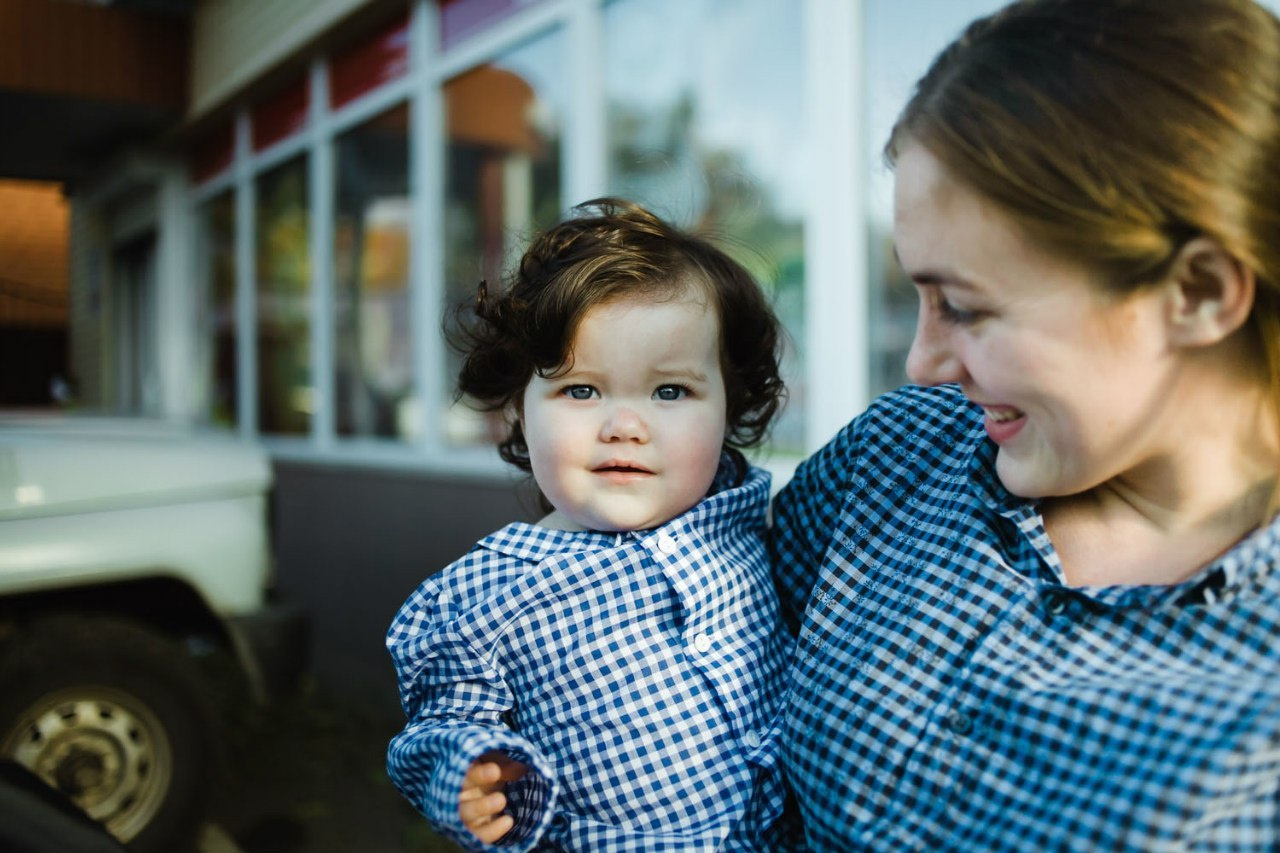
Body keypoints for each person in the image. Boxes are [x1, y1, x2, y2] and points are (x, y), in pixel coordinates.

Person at [770, 0, 1280, 848]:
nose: (923, 362)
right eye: (918, 300)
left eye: (964, 308)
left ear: (1196, 293)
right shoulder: (895, 457)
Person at [386, 198, 794, 851]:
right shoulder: (487, 593)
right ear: (519, 408)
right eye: (581, 390)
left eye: (670, 391)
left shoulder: (754, 521)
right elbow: (437, 727)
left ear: (728, 403)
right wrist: (464, 774)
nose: (623, 425)